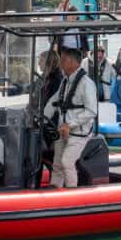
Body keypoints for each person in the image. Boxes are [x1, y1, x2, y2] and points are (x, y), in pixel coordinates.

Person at [42, 48, 97, 188]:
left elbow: (91, 111)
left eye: (63, 60)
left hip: (79, 133)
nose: (60, 64)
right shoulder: (65, 81)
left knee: (67, 162)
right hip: (63, 130)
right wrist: (42, 119)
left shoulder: (86, 83)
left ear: (71, 62)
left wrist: (70, 124)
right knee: (57, 163)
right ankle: (55, 188)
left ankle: (72, 192)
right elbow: (53, 102)